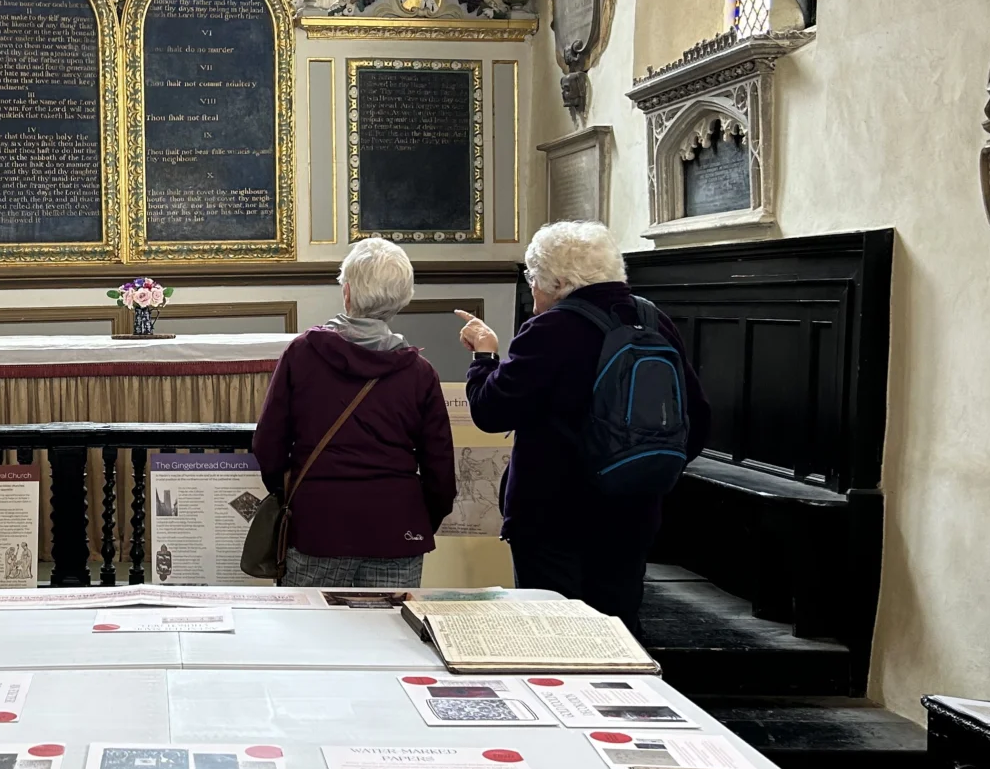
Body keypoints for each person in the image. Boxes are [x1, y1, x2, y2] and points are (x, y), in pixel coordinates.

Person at [455, 220, 709, 633]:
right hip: (633, 510)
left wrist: (484, 357)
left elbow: (491, 411)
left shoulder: (551, 330)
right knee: (618, 630)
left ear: (556, 281)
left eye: (533, 278)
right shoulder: (652, 319)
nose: (531, 288)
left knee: (553, 634)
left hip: (554, 518)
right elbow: (696, 419)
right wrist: (636, 472)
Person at [252, 237, 457, 589]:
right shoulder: (420, 373)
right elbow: (440, 471)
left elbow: (268, 445)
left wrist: (293, 497)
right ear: (403, 299)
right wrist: (420, 518)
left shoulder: (303, 355)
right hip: (397, 527)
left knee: (313, 636)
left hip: (319, 524)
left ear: (346, 292)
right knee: (389, 638)